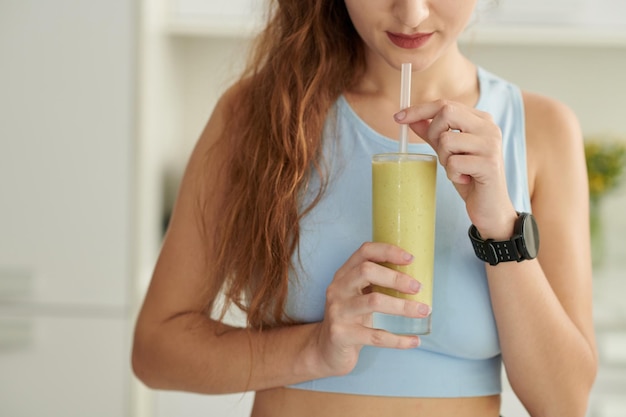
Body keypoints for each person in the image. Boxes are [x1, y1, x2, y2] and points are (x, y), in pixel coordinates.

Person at [131, 0, 598, 416]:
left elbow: (564, 404)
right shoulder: (255, 114)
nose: (411, 12)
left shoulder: (541, 130)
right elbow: (156, 351)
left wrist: (500, 226)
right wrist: (312, 350)